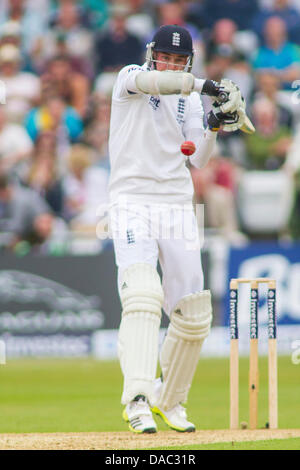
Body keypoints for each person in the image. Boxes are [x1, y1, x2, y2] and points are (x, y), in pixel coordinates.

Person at [108, 24, 246, 433]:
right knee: (143, 295)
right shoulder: (129, 78)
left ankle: (170, 400)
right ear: (153, 55)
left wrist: (217, 121)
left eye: (178, 60)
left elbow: (199, 159)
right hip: (131, 200)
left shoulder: (188, 98)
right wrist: (209, 85)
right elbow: (160, 82)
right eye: (165, 57)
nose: (170, 64)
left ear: (187, 60)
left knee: (193, 313)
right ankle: (136, 398)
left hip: (176, 205)